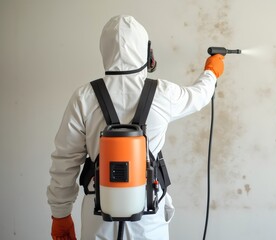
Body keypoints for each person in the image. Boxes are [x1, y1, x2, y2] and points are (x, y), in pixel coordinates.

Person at [47, 15, 224, 240]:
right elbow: (200, 96)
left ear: (105, 51)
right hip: (148, 215)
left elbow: (65, 160)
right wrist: (212, 70)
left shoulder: (84, 97)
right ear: (147, 52)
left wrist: (60, 215)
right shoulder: (163, 93)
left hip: (98, 214)